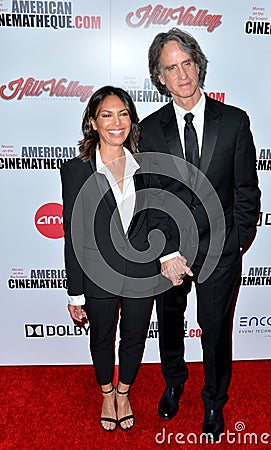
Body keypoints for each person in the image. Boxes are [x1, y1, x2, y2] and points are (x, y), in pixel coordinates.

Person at [138, 28, 261, 441]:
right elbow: (148, 197)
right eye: (171, 68)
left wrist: (236, 240)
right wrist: (165, 252)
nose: (182, 74)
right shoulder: (149, 130)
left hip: (220, 249)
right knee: (170, 323)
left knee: (215, 329)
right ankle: (173, 381)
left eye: (187, 63)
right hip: (169, 252)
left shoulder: (235, 122)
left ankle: (213, 400)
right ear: (160, 77)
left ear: (198, 64)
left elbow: (246, 189)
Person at [60, 86, 158, 432]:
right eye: (107, 114)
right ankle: (106, 394)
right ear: (93, 121)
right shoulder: (76, 170)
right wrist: (75, 292)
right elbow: (73, 232)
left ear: (131, 120)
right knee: (101, 336)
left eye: (123, 114)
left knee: (134, 336)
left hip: (141, 272)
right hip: (96, 272)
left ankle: (124, 392)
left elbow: (157, 220)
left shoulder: (148, 164)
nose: (116, 122)